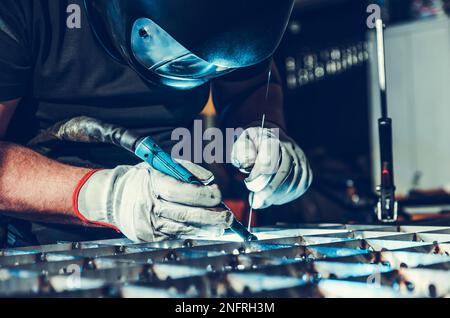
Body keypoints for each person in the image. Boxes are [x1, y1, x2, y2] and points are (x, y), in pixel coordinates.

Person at [0, 0, 312, 245]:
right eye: (185, 58)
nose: (207, 72)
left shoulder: (236, 13)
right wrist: (106, 197)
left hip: (176, 233)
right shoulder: (26, 8)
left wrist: (269, 139)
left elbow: (249, 85)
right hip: (41, 236)